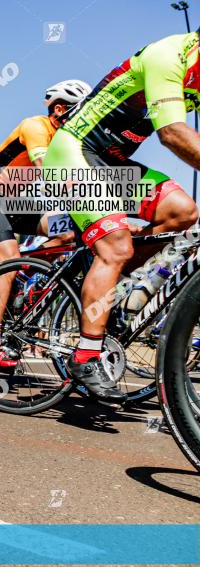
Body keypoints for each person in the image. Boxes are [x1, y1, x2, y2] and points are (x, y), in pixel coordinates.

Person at [44, 33, 200, 401]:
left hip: (115, 165)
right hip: (75, 151)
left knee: (183, 212)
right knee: (115, 246)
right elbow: (173, 133)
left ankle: (115, 283)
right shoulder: (170, 55)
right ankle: (85, 356)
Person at [0, 80, 90, 368]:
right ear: (60, 109)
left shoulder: (65, 140)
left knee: (71, 231)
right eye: (80, 114)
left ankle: (24, 275)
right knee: (8, 258)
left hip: (14, 205)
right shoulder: (35, 126)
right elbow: (45, 167)